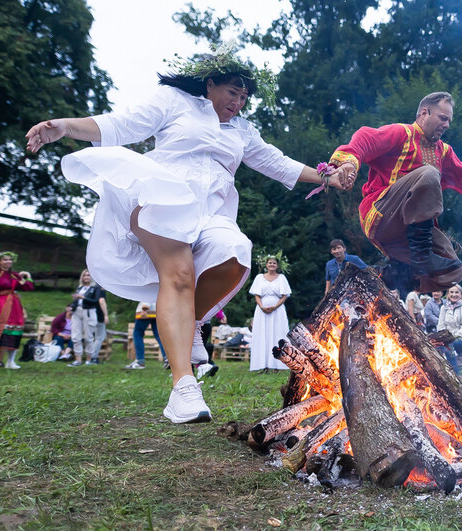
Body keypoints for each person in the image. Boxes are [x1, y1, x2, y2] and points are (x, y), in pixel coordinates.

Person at [26, 43, 349, 423]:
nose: (238, 102)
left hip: (210, 213)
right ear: (210, 84)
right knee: (178, 275)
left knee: (236, 254)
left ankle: (190, 321)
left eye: (244, 97)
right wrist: (65, 126)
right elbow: (120, 124)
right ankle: (183, 387)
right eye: (232, 92)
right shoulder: (174, 101)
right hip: (161, 198)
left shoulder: (242, 131)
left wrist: (328, 176)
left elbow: (277, 163)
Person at [328, 91, 462, 292]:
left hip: (408, 235)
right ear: (424, 113)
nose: (446, 125)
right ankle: (421, 257)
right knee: (428, 173)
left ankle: (390, 276)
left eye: (449, 121)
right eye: (443, 118)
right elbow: (366, 137)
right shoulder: (402, 133)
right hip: (381, 215)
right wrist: (349, 162)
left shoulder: (443, 151)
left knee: (455, 271)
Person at [249, 255, 291, 373]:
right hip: (262, 310)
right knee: (263, 334)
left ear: (277, 265)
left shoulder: (281, 278)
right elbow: (256, 295)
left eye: (274, 263)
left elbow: (284, 295)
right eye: (270, 263)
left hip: (277, 310)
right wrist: (262, 306)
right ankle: (263, 365)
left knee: (277, 334)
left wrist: (275, 306)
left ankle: (278, 365)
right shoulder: (259, 278)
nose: (272, 265)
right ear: (266, 265)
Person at [68, 269, 103, 367]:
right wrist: (71, 307)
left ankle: (89, 359)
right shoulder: (80, 288)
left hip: (89, 312)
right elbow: (76, 301)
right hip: (77, 312)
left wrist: (83, 298)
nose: (86, 277)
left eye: (88, 275)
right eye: (84, 275)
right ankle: (78, 360)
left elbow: (95, 301)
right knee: (76, 337)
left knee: (89, 337)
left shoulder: (95, 288)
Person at [436, 284, 462, 373]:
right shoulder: (444, 307)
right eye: (451, 292)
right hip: (447, 339)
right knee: (435, 345)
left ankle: (455, 376)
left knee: (448, 347)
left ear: (461, 294)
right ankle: (440, 374)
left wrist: (450, 338)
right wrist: (443, 337)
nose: (454, 294)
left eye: (457, 292)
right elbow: (440, 325)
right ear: (448, 294)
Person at [125, 301, 168, 369]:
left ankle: (140, 361)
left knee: (137, 334)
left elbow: (146, 293)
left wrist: (145, 307)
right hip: (156, 311)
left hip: (145, 310)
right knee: (159, 336)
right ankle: (167, 360)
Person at [89, 288, 108, 364]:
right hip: (99, 316)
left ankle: (89, 356)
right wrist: (105, 315)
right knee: (99, 337)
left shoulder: (92, 289)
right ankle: (93, 357)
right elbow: (102, 301)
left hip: (90, 315)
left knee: (94, 337)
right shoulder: (101, 290)